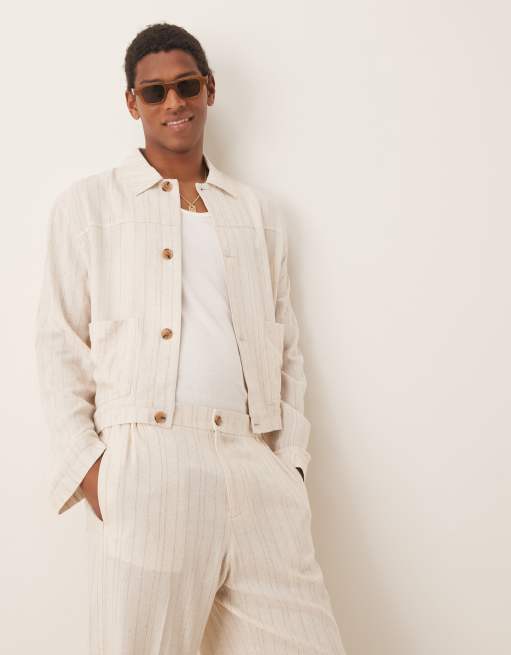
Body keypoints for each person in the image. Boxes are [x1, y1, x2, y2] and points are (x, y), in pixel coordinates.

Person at [34, 21, 347, 655]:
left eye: (187, 86)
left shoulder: (258, 214)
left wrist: (289, 465)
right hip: (147, 462)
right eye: (154, 92)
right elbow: (59, 343)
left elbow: (285, 348)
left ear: (210, 89)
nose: (173, 102)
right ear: (133, 103)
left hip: (253, 460)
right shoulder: (88, 207)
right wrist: (95, 472)